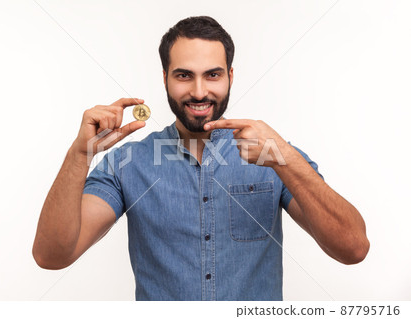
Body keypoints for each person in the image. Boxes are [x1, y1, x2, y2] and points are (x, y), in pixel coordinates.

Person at [32, 16, 369, 301]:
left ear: (230, 77)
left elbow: (352, 249)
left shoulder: (274, 155)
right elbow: (52, 256)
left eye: (212, 74)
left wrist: (285, 159)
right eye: (183, 75)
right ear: (164, 78)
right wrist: (80, 154)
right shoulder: (128, 163)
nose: (198, 91)